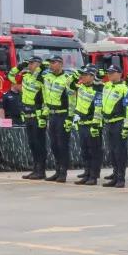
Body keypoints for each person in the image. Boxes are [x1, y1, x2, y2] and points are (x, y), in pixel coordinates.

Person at [10, 56, 47, 179]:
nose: (29, 65)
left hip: (37, 116)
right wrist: (21, 65)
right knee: (32, 144)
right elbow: (10, 76)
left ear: (38, 64)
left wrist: (40, 66)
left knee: (39, 144)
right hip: (27, 115)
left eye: (32, 63)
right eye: (29, 63)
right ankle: (35, 169)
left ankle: (41, 170)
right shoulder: (25, 76)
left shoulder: (42, 77)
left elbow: (45, 69)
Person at [100, 65, 128, 188]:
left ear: (119, 74)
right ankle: (114, 176)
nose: (109, 75)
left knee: (120, 152)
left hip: (119, 123)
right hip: (108, 122)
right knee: (112, 151)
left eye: (112, 73)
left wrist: (126, 126)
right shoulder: (107, 86)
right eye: (108, 73)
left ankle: (121, 178)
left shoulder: (125, 89)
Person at [41, 55, 74, 183]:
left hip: (62, 115)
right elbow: (44, 95)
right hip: (52, 115)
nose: (51, 65)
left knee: (62, 145)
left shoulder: (67, 79)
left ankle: (63, 172)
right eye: (50, 62)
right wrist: (45, 113)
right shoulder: (47, 77)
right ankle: (57, 170)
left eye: (53, 62)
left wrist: (70, 117)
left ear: (60, 64)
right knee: (54, 145)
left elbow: (72, 100)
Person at [69, 65, 102, 186]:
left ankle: (93, 176)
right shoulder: (80, 86)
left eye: (85, 75)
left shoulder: (99, 88)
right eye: (81, 75)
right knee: (84, 151)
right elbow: (69, 84)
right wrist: (76, 74)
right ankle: (87, 173)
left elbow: (99, 108)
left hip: (92, 124)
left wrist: (95, 124)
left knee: (93, 151)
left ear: (92, 76)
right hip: (81, 124)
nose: (82, 77)